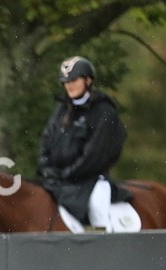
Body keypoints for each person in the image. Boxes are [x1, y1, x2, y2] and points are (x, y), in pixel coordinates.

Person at [38, 56, 131, 230]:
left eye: (74, 80)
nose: (69, 85)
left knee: (97, 206)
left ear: (88, 80)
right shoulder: (62, 109)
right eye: (66, 81)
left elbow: (95, 154)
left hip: (92, 180)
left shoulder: (104, 111)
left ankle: (103, 248)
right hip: (61, 180)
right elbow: (46, 139)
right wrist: (46, 167)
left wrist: (68, 173)